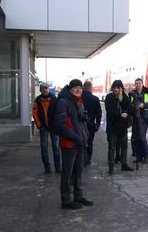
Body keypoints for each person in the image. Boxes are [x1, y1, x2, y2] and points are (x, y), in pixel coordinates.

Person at [55, 79, 93, 210]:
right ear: (70, 89)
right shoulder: (63, 102)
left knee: (78, 171)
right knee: (67, 172)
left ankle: (78, 196)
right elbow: (60, 125)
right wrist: (75, 137)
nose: (78, 90)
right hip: (69, 144)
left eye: (80, 88)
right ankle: (65, 200)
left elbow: (79, 120)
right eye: (76, 87)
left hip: (80, 142)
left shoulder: (78, 101)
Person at [105, 80, 134, 174]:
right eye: (115, 87)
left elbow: (130, 108)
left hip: (123, 127)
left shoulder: (125, 97)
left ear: (121, 88)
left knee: (124, 146)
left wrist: (127, 112)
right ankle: (111, 167)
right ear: (112, 88)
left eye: (118, 87)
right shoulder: (109, 97)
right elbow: (109, 110)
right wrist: (120, 114)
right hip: (112, 127)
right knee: (112, 147)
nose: (116, 89)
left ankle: (124, 164)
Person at [32, 82, 61, 174]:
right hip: (43, 127)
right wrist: (39, 126)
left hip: (53, 127)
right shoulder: (38, 100)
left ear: (48, 89)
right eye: (43, 89)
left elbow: (58, 112)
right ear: (41, 90)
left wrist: (57, 124)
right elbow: (35, 114)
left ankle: (58, 168)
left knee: (56, 147)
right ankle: (47, 168)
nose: (45, 90)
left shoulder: (54, 99)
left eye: (46, 88)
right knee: (44, 148)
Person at [129, 78, 148, 163]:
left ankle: (146, 156)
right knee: (136, 137)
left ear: (142, 84)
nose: (138, 85)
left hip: (144, 118)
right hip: (135, 117)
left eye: (139, 83)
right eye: (136, 83)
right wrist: (134, 107)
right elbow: (129, 104)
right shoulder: (132, 93)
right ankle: (138, 156)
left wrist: (143, 105)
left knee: (142, 137)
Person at [81, 81, 102, 166]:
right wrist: (97, 124)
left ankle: (81, 159)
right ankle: (88, 159)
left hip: (80, 124)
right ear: (90, 88)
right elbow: (99, 113)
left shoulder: (79, 98)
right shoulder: (95, 99)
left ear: (83, 87)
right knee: (90, 142)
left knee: (81, 142)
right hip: (91, 125)